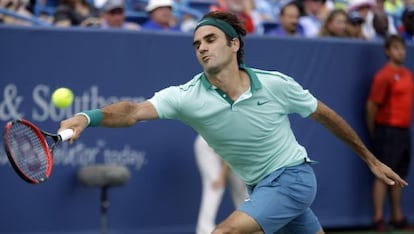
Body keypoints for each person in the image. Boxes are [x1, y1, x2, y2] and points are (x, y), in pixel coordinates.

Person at [59, 11, 407, 234]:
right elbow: (133, 112)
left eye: (210, 39)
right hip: (261, 188)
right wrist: (88, 117)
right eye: (197, 44)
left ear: (234, 43)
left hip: (293, 178)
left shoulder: (275, 84)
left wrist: (371, 160)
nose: (202, 48)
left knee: (224, 232)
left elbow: (326, 116)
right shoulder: (187, 96)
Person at [366, 34, 413, 232]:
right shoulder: (383, 76)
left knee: (399, 175)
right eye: (395, 48)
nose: (400, 52)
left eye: (402, 48)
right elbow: (371, 106)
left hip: (403, 131)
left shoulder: (408, 74)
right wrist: (374, 132)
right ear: (387, 51)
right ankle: (378, 218)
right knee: (383, 175)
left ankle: (397, 216)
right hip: (387, 131)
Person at [194, 134, 247, 234]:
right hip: (208, 145)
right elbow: (231, 155)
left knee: (244, 189)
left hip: (226, 148)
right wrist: (222, 176)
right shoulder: (244, 136)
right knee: (216, 187)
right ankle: (203, 229)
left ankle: (246, 224)